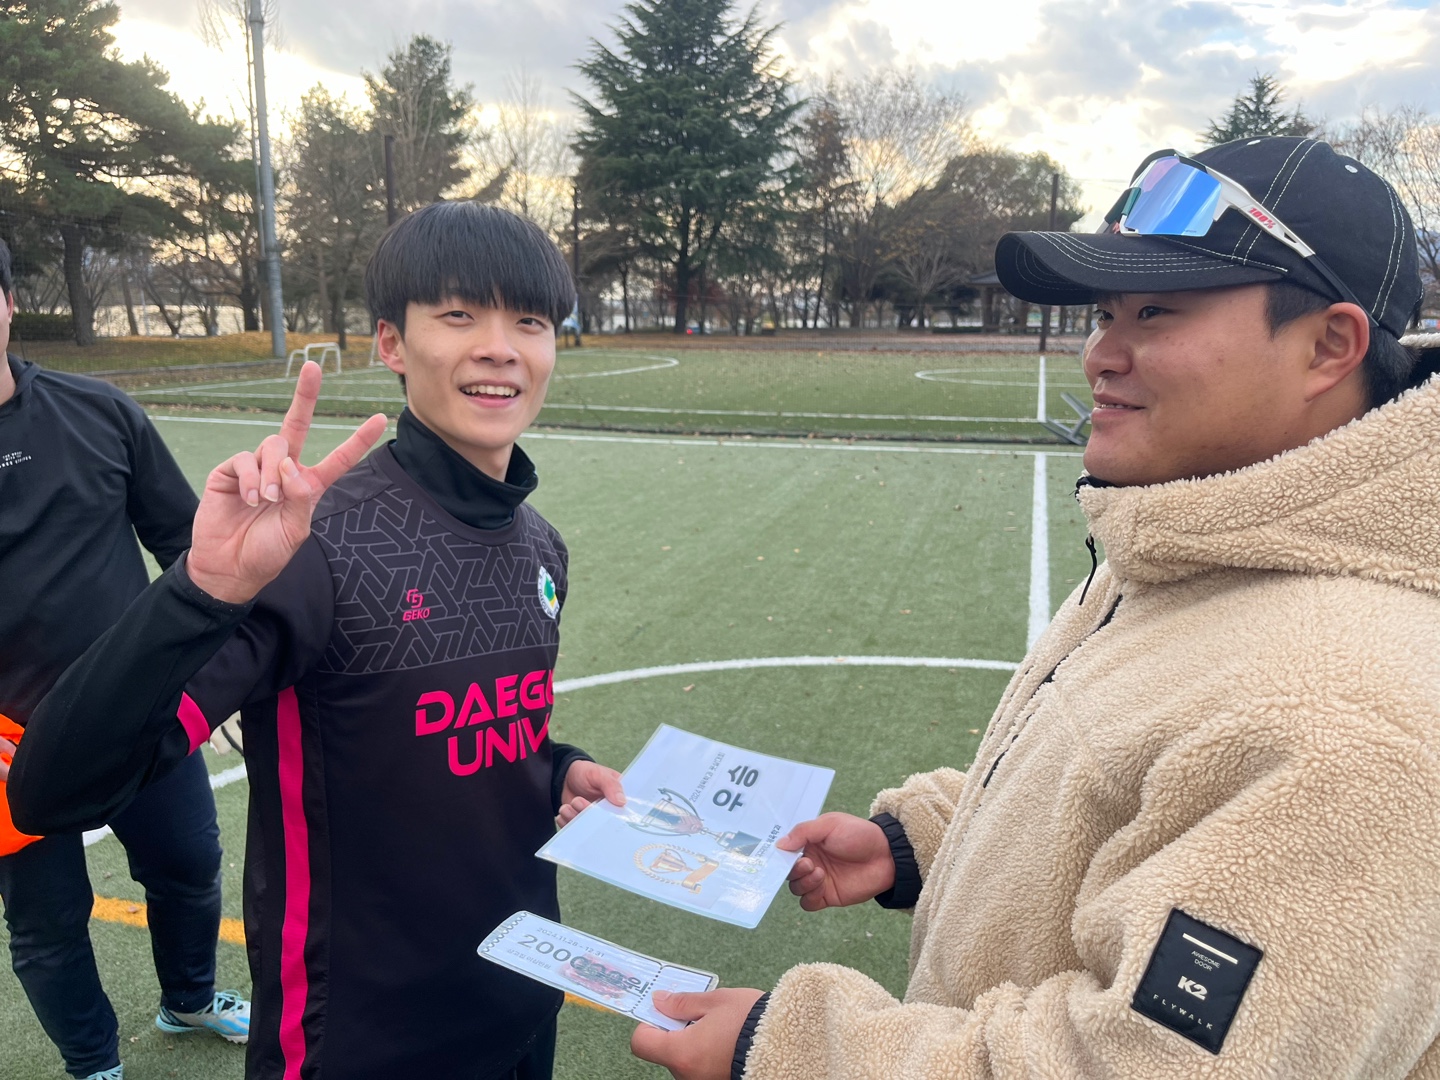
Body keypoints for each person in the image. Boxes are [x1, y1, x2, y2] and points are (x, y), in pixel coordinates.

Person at [630, 137, 1440, 1078]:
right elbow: (1122, 785)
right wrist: (917, 841)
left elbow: (1139, 1066)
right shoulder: (1199, 540)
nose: (1103, 354)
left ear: (1329, 346)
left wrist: (800, 1050)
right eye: (1104, 314)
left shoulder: (1349, 718)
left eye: (1156, 312)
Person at [10, 202, 627, 1080]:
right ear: (391, 342)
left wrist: (557, 768)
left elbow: (440, 734)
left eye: (529, 321)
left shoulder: (540, 546)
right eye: (460, 315)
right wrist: (198, 590)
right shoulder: (315, 549)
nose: (500, 348)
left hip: (523, 1001)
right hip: (361, 1040)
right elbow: (54, 787)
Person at [0, 239, 250, 1080]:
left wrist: (216, 678)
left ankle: (189, 999)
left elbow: (189, 546)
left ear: (8, 304)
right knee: (46, 923)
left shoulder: (98, 411)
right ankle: (93, 1063)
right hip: (7, 746)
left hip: (139, 711)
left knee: (188, 865)